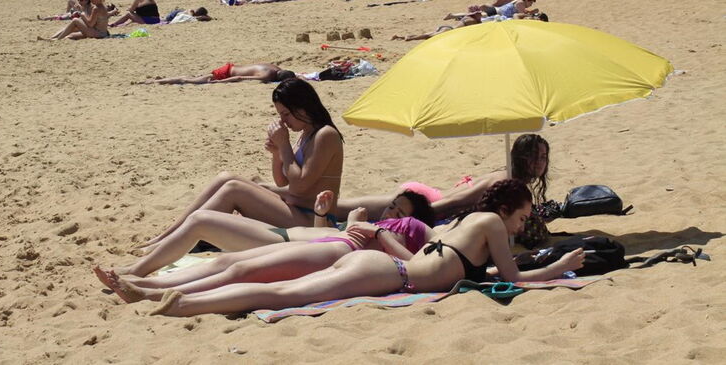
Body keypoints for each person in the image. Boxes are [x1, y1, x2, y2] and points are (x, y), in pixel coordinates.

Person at [144, 180, 584, 316]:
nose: (524, 224)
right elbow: (515, 279)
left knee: (270, 283)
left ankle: (162, 294)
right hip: (390, 274)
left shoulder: (468, 222)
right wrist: (560, 265)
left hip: (381, 263)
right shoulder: (490, 224)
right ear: (507, 209)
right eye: (523, 216)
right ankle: (184, 305)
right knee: (281, 294)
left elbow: (474, 271)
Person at [96, 192, 437, 302]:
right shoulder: (375, 222)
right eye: (393, 206)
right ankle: (145, 284)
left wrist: (379, 236)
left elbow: (417, 264)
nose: (392, 213)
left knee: (241, 271)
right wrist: (326, 216)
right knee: (226, 263)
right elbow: (322, 235)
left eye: (400, 212)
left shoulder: (416, 229)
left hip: (335, 251)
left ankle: (149, 292)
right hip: (324, 242)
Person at [142, 78, 344, 248]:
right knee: (226, 178)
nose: (284, 121)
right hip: (296, 210)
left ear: (302, 107)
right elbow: (283, 182)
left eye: (286, 114)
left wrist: (284, 145)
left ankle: (173, 241)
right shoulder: (306, 133)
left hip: (314, 220)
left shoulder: (325, 134)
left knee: (233, 189)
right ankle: (168, 235)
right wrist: (277, 155)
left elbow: (300, 186)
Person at [334, 134, 551, 222]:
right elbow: (456, 202)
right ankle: (305, 209)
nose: (540, 162)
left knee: (341, 209)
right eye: (534, 156)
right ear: (521, 157)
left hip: (428, 196)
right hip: (428, 200)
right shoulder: (504, 181)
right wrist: (419, 217)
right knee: (338, 209)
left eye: (543, 156)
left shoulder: (515, 181)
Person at [393, 11, 548, 41]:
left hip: (457, 27)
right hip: (457, 28)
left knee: (429, 35)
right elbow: (516, 16)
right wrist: (530, 16)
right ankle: (405, 38)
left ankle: (403, 37)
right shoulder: (522, 19)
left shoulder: (524, 24)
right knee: (430, 36)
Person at [41, 0, 116, 40]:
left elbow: (90, 24)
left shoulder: (96, 8)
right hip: (102, 32)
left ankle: (56, 39)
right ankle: (52, 38)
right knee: (70, 34)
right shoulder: (102, 6)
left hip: (98, 33)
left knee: (75, 21)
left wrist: (82, 14)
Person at [144, 63, 295, 85]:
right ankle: (159, 82)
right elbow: (240, 78)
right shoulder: (268, 76)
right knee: (189, 81)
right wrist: (220, 82)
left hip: (230, 67)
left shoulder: (275, 67)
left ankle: (161, 79)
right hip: (225, 73)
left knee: (196, 76)